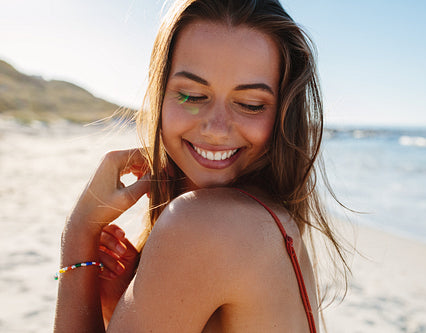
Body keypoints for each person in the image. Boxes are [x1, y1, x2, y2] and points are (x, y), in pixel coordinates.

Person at [54, 0, 351, 331]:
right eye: (192, 96)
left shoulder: (201, 225)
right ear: (160, 96)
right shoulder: (273, 220)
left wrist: (79, 230)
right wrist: (122, 307)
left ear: (284, 112)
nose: (216, 128)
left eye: (250, 104)